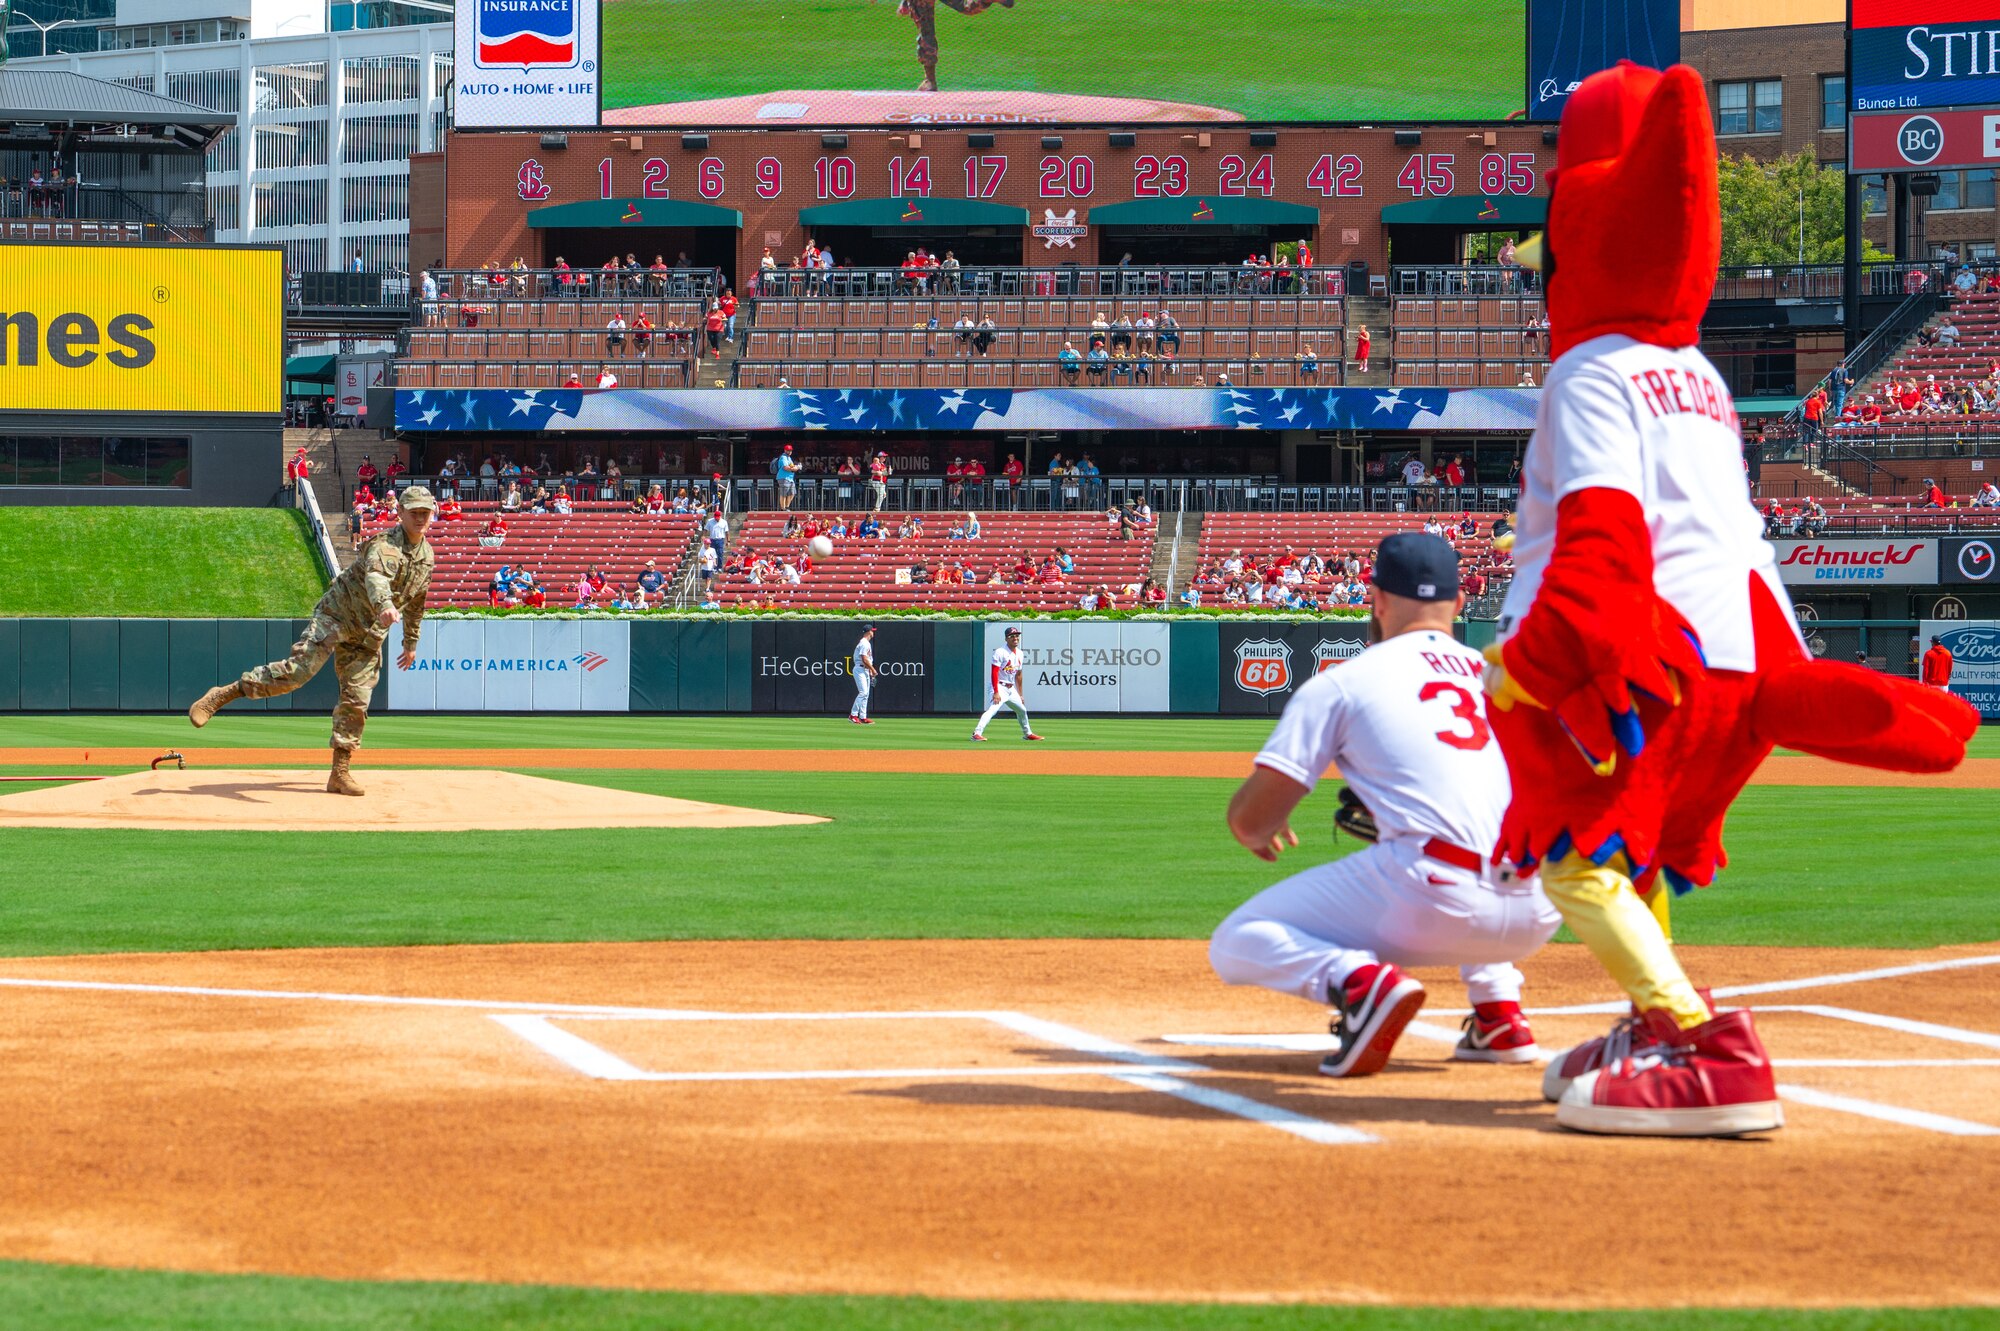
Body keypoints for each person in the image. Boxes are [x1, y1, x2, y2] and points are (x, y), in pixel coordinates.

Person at [1212, 532, 1563, 1075]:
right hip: (1542, 902)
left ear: (1374, 598)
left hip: (1431, 901)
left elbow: (1250, 821)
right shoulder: (1502, 679)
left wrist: (1257, 828)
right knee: (1484, 833)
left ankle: (1362, 983)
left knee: (1237, 941)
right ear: (1461, 602)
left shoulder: (1345, 681)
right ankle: (1499, 1012)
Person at [188, 488, 438, 796]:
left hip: (368, 633)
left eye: (425, 512)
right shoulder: (385, 546)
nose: (420, 517)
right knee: (296, 674)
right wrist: (385, 604)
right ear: (400, 512)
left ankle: (339, 773)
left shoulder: (426, 556)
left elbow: (416, 601)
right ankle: (225, 694)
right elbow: (376, 578)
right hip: (337, 615)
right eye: (414, 511)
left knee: (356, 703)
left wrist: (410, 642)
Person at [971, 626, 1043, 742]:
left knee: (1022, 710)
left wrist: (1020, 694)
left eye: (1017, 636)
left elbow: (1018, 675)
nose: (1015, 638)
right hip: (999, 685)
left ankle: (1027, 734)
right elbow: (994, 672)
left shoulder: (1019, 653)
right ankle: (976, 733)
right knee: (993, 709)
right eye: (1012, 636)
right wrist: (996, 692)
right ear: (1006, 638)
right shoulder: (1000, 652)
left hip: (1010, 688)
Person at [850, 624, 879, 725]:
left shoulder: (866, 643)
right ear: (869, 632)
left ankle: (863, 716)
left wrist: (870, 671)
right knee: (863, 693)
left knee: (866, 694)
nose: (873, 632)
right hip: (860, 669)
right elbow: (864, 658)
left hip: (864, 669)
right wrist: (873, 669)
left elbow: (867, 659)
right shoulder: (864, 643)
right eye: (872, 631)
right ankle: (853, 715)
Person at [773, 444, 801, 511]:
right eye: (788, 450)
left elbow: (792, 466)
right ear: (785, 450)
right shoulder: (783, 457)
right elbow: (786, 468)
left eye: (791, 450)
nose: (790, 452)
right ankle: (783, 508)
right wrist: (795, 468)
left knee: (792, 493)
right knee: (784, 493)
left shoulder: (789, 458)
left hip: (790, 478)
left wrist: (796, 467)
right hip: (783, 478)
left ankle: (787, 507)